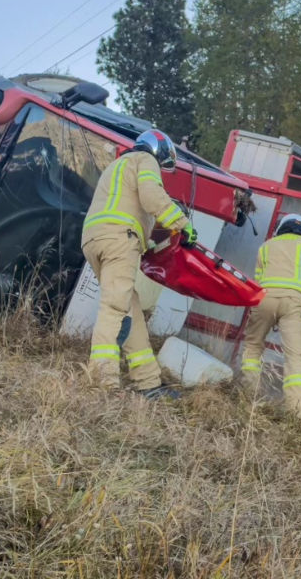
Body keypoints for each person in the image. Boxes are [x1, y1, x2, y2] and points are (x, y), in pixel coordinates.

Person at [81, 128, 196, 398]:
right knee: (114, 308)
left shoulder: (117, 166)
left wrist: (149, 244)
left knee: (127, 306)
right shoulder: (146, 161)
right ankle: (102, 384)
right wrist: (182, 223)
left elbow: (125, 208)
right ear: (158, 151)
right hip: (120, 238)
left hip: (95, 240)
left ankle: (147, 383)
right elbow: (151, 196)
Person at [240, 214, 301, 419]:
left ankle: (249, 398)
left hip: (264, 299)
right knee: (295, 357)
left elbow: (258, 280)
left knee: (253, 346)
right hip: (294, 304)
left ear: (279, 229)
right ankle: (298, 415)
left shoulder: (266, 246)